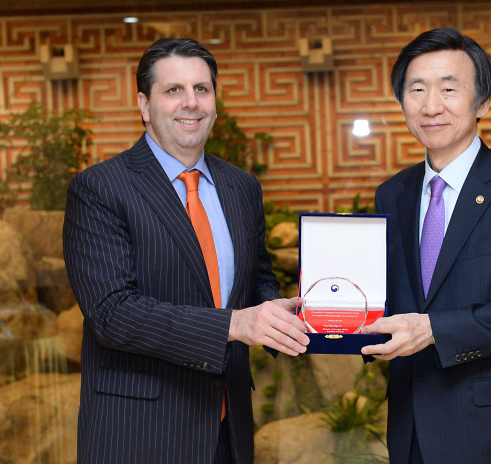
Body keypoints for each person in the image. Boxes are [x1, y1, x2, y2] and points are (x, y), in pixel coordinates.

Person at [63, 37, 309, 464]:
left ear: (215, 100)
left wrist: (289, 315)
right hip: (139, 432)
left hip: (227, 429)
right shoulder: (100, 188)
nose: (190, 103)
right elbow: (112, 314)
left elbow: (258, 282)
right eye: (173, 90)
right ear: (144, 104)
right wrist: (235, 324)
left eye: (202, 89)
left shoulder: (241, 187)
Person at [360, 28, 491, 464]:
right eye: (416, 89)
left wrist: (434, 329)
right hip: (412, 423)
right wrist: (330, 316)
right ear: (402, 102)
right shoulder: (391, 194)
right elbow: (387, 299)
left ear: (483, 103)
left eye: (449, 89)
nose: (430, 105)